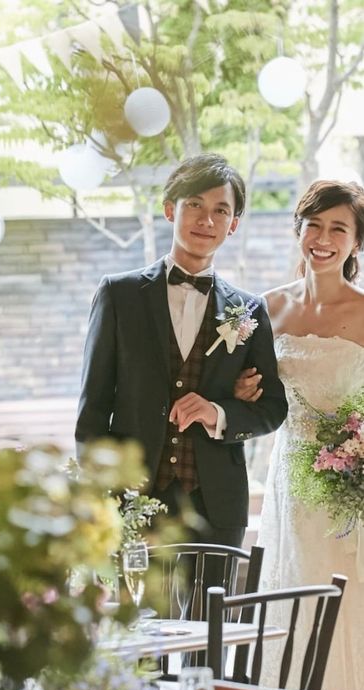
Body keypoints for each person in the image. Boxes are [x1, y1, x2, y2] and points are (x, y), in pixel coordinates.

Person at [75, 152, 288, 552]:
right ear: (170, 209)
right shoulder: (119, 295)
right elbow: (93, 408)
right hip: (132, 501)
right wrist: (97, 495)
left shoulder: (249, 309)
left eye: (220, 210)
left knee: (213, 597)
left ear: (233, 224)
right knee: (136, 597)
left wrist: (218, 412)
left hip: (217, 505)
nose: (207, 220)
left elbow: (273, 408)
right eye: (195, 204)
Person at [234, 179, 364, 690]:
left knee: (344, 597)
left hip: (349, 490)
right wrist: (241, 391)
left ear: (356, 242)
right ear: (298, 230)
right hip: (289, 478)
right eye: (314, 225)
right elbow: (252, 396)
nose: (323, 239)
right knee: (291, 588)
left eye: (339, 229)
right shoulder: (264, 309)